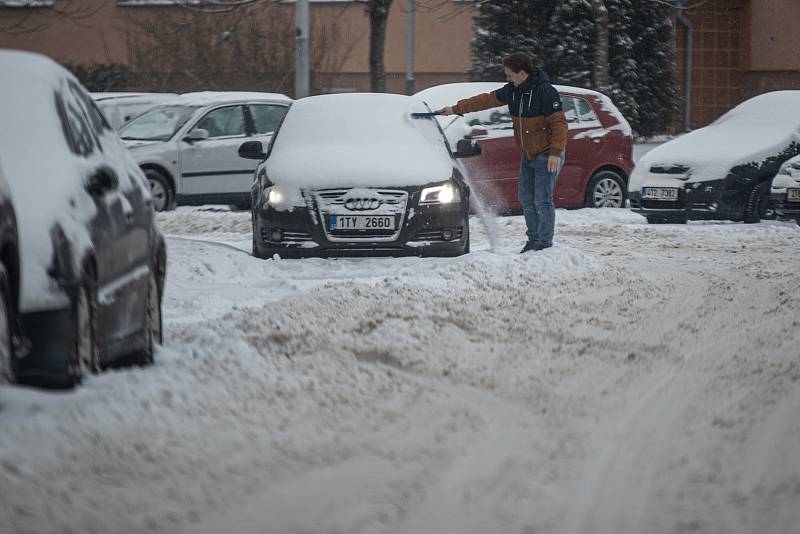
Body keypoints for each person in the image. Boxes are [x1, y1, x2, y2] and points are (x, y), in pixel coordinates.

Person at [436, 52, 568, 252]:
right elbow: (485, 100)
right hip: (529, 154)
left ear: (522, 73)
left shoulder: (545, 92)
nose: (507, 78)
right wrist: (455, 109)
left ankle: (544, 243)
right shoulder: (512, 91)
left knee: (542, 199)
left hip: (547, 153)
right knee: (526, 198)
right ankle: (533, 240)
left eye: (509, 75)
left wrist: (556, 152)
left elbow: (559, 124)